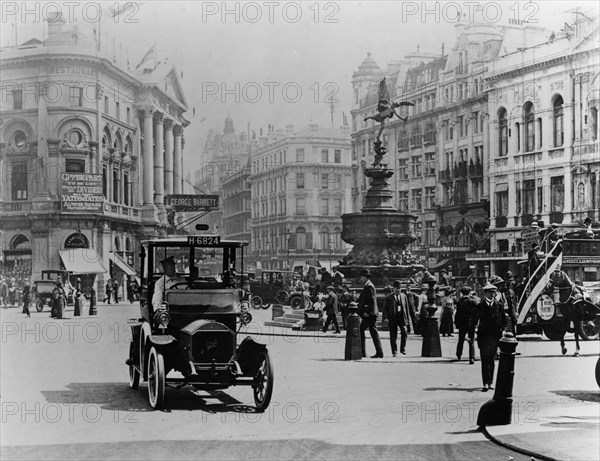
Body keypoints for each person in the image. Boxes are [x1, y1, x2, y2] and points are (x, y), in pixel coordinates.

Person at [471, 283, 508, 392]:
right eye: (490, 292)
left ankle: (490, 382)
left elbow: (504, 321)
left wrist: (504, 330)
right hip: (483, 337)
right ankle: (485, 383)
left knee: (491, 360)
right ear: (485, 293)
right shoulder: (480, 306)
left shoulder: (499, 306)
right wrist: (472, 333)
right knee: (484, 360)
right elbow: (473, 320)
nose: (492, 294)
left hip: (495, 337)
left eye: (494, 292)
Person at [357, 269, 383, 358]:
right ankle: (379, 352)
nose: (361, 279)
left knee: (361, 330)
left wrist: (367, 312)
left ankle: (363, 352)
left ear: (365, 277)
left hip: (370, 314)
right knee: (373, 332)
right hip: (372, 314)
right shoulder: (368, 285)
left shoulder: (369, 286)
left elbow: (371, 300)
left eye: (361, 277)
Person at [384, 281, 410, 356]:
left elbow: (406, 308)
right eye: (396, 288)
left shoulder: (404, 296)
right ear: (393, 289)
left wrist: (407, 319)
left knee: (404, 332)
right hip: (392, 318)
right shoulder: (389, 297)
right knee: (393, 335)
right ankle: (394, 351)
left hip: (401, 317)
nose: (398, 290)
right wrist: (385, 318)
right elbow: (385, 309)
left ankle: (403, 349)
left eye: (399, 288)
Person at [454, 286, 476, 363]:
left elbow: (457, 314)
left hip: (462, 323)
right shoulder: (473, 301)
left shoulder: (459, 302)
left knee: (461, 339)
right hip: (471, 323)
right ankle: (472, 357)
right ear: (469, 292)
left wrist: (456, 322)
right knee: (471, 340)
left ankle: (459, 354)